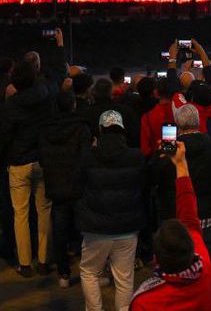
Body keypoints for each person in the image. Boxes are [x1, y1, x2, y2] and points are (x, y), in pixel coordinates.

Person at [150, 104, 211, 310]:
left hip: (175, 219)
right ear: (198, 122)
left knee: (174, 271)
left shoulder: (169, 152)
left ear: (177, 124)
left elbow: (153, 176)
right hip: (209, 217)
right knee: (209, 267)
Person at [0, 29, 65, 277]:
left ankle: (25, 263)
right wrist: (59, 45)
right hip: (43, 159)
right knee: (44, 211)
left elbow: (4, 135)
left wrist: (6, 158)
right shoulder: (47, 92)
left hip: (19, 163)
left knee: (20, 214)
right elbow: (59, 74)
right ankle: (43, 260)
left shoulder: (12, 105)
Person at [129, 141, 211, 311]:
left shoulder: (144, 302)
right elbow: (188, 212)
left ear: (156, 258)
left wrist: (180, 163)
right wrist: (181, 163)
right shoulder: (205, 268)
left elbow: (188, 213)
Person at [77, 110, 146, 311]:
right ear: (122, 130)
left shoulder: (88, 156)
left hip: (95, 227)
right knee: (124, 278)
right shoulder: (136, 156)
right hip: (127, 226)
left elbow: (77, 185)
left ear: (99, 130)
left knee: (89, 272)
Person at [39, 91, 93, 288]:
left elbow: (43, 156)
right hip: (78, 184)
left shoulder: (47, 129)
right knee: (85, 229)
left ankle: (63, 272)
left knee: (60, 230)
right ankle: (89, 270)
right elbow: (86, 158)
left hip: (56, 183)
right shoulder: (81, 128)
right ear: (73, 106)